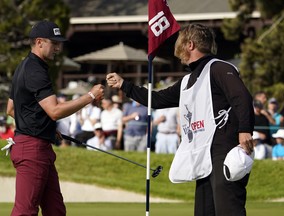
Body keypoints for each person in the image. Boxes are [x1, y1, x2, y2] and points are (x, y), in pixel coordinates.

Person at [106, 24, 254, 216]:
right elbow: (157, 100)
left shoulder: (219, 68)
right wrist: (124, 85)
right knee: (203, 212)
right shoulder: (187, 80)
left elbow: (241, 97)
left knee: (229, 210)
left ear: (190, 45)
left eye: (180, 44)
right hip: (203, 155)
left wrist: (245, 130)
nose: (177, 51)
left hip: (225, 150)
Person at [6, 20, 104, 216]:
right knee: (25, 211)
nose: (58, 48)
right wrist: (90, 96)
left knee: (55, 210)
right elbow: (55, 111)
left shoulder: (24, 66)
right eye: (54, 43)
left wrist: (45, 127)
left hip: (37, 146)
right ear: (40, 42)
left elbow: (11, 109)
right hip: (32, 150)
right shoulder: (35, 70)